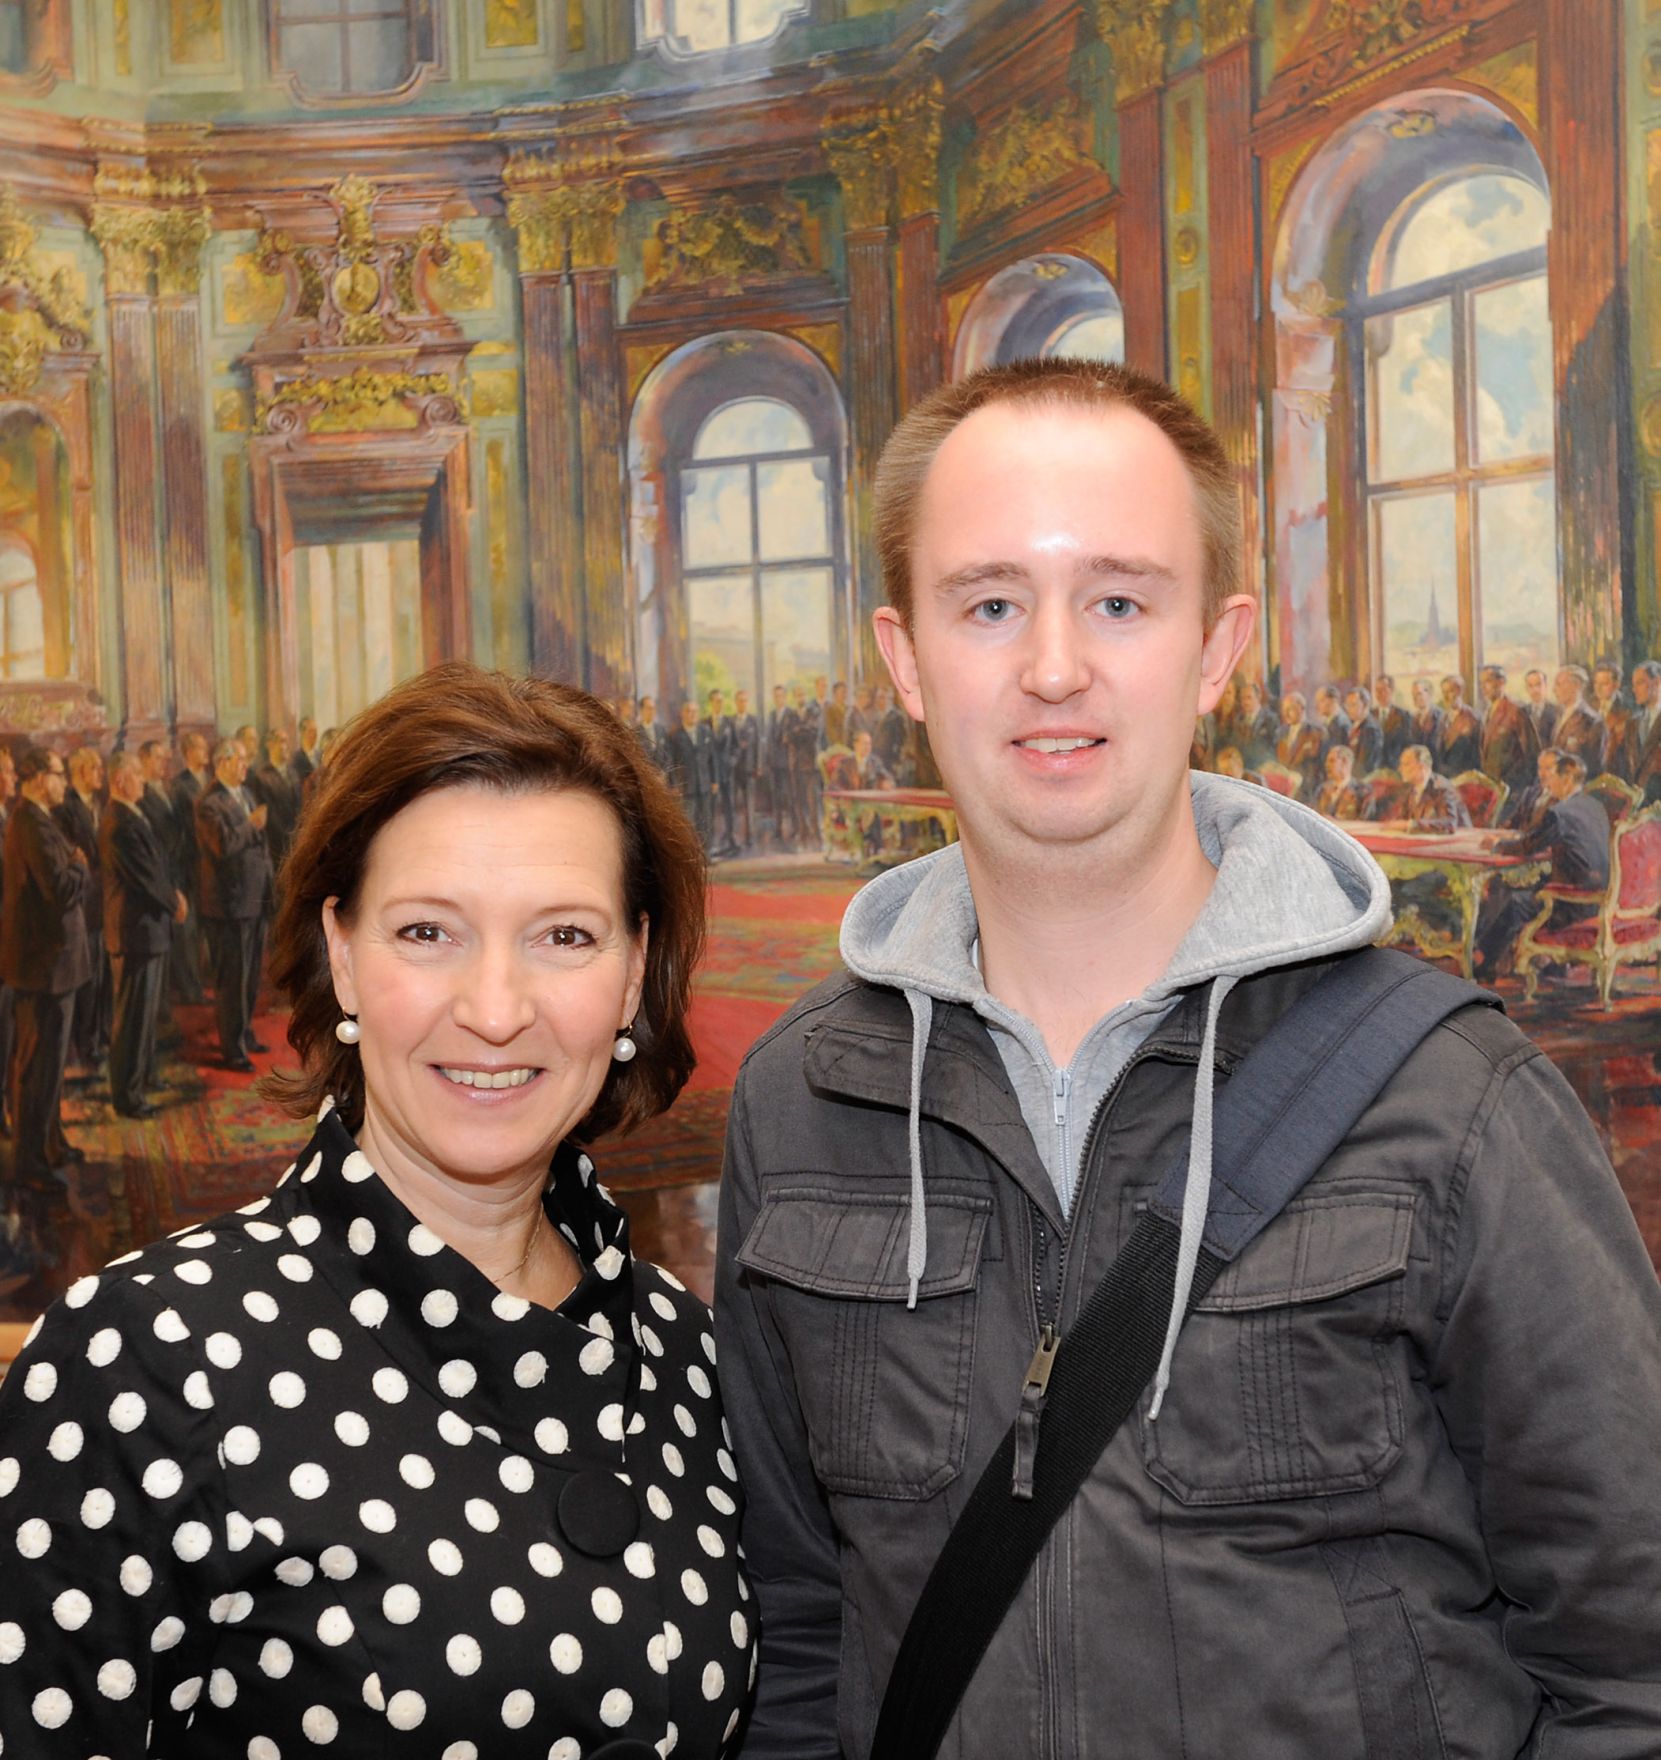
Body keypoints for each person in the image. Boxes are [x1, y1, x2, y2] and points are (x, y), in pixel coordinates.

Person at [716, 358, 1661, 1756]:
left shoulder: (1451, 1099)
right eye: (988, 604)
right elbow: (798, 1636)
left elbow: (1629, 1663)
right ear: (904, 659)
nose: (1053, 666)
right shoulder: (799, 1104)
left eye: (1117, 600)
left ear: (1216, 648)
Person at [0, 663, 755, 1759]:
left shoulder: (686, 1356)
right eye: (426, 932)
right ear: (341, 953)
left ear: (634, 973)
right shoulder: (145, 1364)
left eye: (563, 936)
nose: (494, 1009)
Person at [1, 746, 89, 1189]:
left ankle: (51, 1143)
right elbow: (58, 888)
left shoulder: (39, 819)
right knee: (37, 1069)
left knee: (49, 1067)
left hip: (55, 967)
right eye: (58, 773)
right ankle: (30, 1164)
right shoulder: (30, 822)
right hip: (43, 968)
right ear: (37, 777)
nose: (63, 782)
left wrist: (73, 864)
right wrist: (79, 867)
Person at [99, 751, 186, 1118]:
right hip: (135, 932)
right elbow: (146, 877)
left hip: (148, 930)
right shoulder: (118, 821)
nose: (144, 781)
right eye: (137, 774)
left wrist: (172, 895)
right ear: (120, 780)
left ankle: (144, 1077)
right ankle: (128, 1096)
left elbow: (158, 865)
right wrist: (175, 902)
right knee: (132, 1017)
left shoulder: (131, 814)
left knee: (146, 1014)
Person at [1474, 750, 1611, 976]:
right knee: (1516, 889)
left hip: (1571, 901)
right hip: (1601, 896)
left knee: (1515, 903)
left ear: (1566, 779)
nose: (1548, 783)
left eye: (1553, 777)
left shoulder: (1560, 813)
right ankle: (1539, 962)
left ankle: (1483, 962)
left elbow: (1528, 846)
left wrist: (1497, 846)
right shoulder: (1595, 806)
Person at [195, 736, 273, 1072]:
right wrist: (250, 824)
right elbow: (222, 846)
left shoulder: (245, 793)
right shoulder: (209, 801)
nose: (246, 766)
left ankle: (244, 1032)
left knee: (251, 974)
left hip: (253, 900)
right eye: (239, 760)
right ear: (222, 762)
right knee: (231, 979)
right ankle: (232, 1048)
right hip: (229, 905)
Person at [56, 743, 108, 1077]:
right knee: (86, 980)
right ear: (80, 772)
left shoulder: (100, 804)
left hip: (102, 904)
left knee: (101, 977)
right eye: (95, 770)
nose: (101, 775)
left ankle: (98, 1037)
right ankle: (84, 1047)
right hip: (83, 905)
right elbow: (72, 857)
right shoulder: (65, 809)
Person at [168, 730, 210, 1004]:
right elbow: (183, 829)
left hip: (210, 867)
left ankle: (203, 979)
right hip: (190, 864)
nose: (205, 751)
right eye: (200, 747)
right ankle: (190, 987)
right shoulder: (180, 785)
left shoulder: (209, 779)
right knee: (190, 930)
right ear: (188, 752)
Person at [1477, 662, 1539, 797]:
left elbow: (1531, 754)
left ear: (1501, 682)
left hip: (1512, 790)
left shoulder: (1515, 711)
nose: (1483, 687)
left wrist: (1522, 789)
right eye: (1481, 683)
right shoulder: (1486, 713)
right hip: (1492, 790)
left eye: (1487, 681)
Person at [1550, 663, 1605, 772]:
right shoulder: (1559, 715)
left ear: (1576, 686)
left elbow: (1593, 765)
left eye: (1559, 684)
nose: (1554, 689)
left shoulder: (1592, 720)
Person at [1273, 691, 1321, 797]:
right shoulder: (1280, 733)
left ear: (1301, 708)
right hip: (1282, 786)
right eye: (1284, 710)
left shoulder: (1316, 732)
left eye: (1290, 709)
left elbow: (1316, 767)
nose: (1286, 714)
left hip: (1306, 788)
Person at [1627, 659, 1661, 804]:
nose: (1634, 689)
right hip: (1636, 805)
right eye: (1633, 684)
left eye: (1640, 683)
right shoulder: (1632, 723)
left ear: (1658, 682)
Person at [1313, 740, 1367, 820]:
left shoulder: (1362, 791)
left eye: (1331, 761)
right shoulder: (1322, 790)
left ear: (1345, 762)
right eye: (1327, 761)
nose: (1326, 765)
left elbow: (1364, 821)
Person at [1373, 673, 1412, 769]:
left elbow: (1407, 745)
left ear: (1392, 690)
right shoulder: (1370, 715)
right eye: (1377, 690)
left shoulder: (1403, 716)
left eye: (1384, 690)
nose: (1380, 694)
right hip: (1373, 769)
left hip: (1395, 768)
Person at [1523, 665, 1558, 746]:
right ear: (1526, 688)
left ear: (1545, 686)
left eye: (1539, 684)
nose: (1535, 690)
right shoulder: (1522, 712)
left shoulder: (1556, 711)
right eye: (1530, 686)